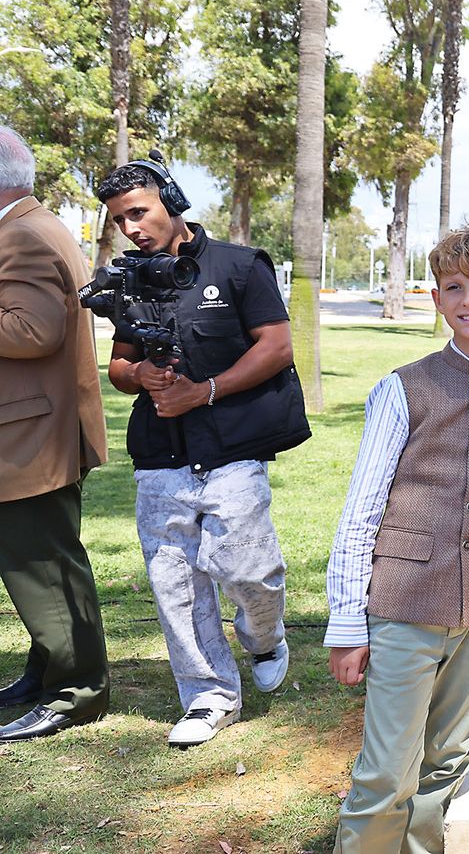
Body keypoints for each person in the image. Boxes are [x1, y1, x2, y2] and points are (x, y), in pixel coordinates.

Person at [327, 225, 469, 850]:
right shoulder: (402, 389)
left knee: (448, 760)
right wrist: (349, 621)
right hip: (405, 602)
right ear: (436, 299)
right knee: (386, 770)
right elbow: (362, 507)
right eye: (454, 288)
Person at [98, 157, 310, 747]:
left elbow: (276, 346)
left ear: (171, 200)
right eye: (120, 219)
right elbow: (118, 366)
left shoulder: (240, 267)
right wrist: (141, 374)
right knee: (176, 581)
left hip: (234, 448)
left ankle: (265, 636)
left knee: (248, 570)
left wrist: (205, 391)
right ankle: (208, 694)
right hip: (160, 455)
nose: (132, 227)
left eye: (139, 211)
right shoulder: (129, 281)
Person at [0, 126, 111, 742]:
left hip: (27, 436)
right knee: (45, 562)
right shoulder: (34, 224)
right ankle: (47, 675)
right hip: (37, 427)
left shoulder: (17, 235)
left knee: (39, 565)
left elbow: (30, 330)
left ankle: (74, 691)